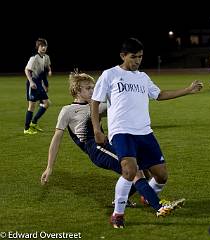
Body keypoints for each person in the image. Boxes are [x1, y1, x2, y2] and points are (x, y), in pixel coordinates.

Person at [40, 71, 184, 229]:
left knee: (142, 167)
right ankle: (159, 206)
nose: (93, 91)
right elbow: (56, 138)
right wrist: (49, 167)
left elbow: (120, 110)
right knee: (135, 171)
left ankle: (133, 199)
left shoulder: (97, 105)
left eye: (94, 87)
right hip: (95, 149)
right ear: (77, 90)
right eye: (88, 88)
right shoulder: (67, 111)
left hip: (107, 144)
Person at [91, 38, 203, 228]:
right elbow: (94, 102)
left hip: (144, 132)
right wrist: (96, 129)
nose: (137, 61)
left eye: (140, 57)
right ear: (123, 56)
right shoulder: (110, 75)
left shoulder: (143, 77)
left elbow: (158, 95)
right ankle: (118, 214)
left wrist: (188, 90)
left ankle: (147, 196)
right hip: (122, 131)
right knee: (129, 170)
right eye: (133, 57)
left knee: (161, 176)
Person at [24, 38, 52, 135]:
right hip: (33, 84)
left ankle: (34, 122)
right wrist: (31, 82)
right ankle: (26, 128)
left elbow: (45, 69)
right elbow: (27, 70)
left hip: (39, 84)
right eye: (41, 46)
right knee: (31, 106)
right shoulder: (34, 58)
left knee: (47, 103)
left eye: (45, 46)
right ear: (38, 47)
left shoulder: (45, 57)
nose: (43, 47)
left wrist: (46, 83)